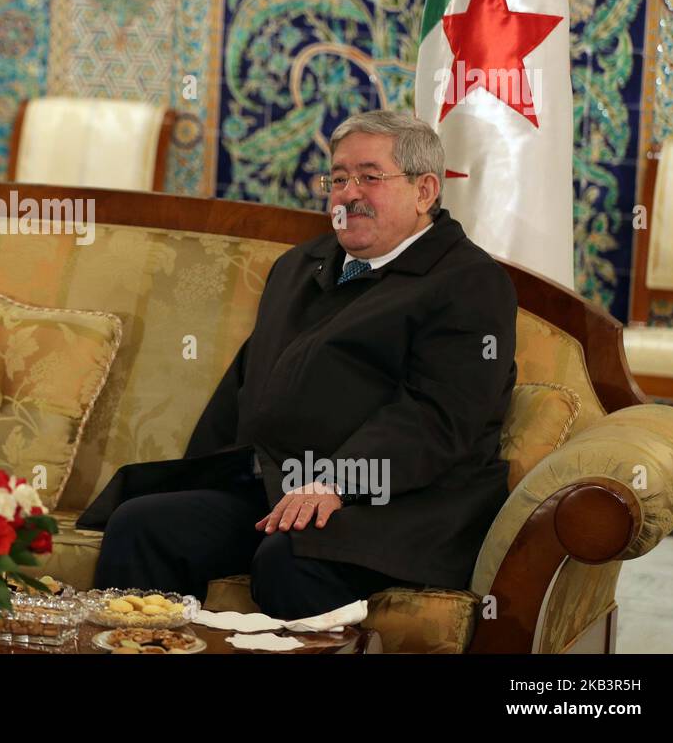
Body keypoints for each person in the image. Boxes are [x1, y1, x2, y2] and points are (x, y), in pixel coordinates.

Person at [81, 111, 516, 620]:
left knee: (291, 558)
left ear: (424, 191)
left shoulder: (470, 283)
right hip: (277, 487)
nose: (348, 193)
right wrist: (206, 475)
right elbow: (244, 385)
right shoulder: (300, 266)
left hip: (402, 504)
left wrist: (336, 480)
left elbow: (439, 416)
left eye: (370, 177)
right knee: (143, 523)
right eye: (338, 178)